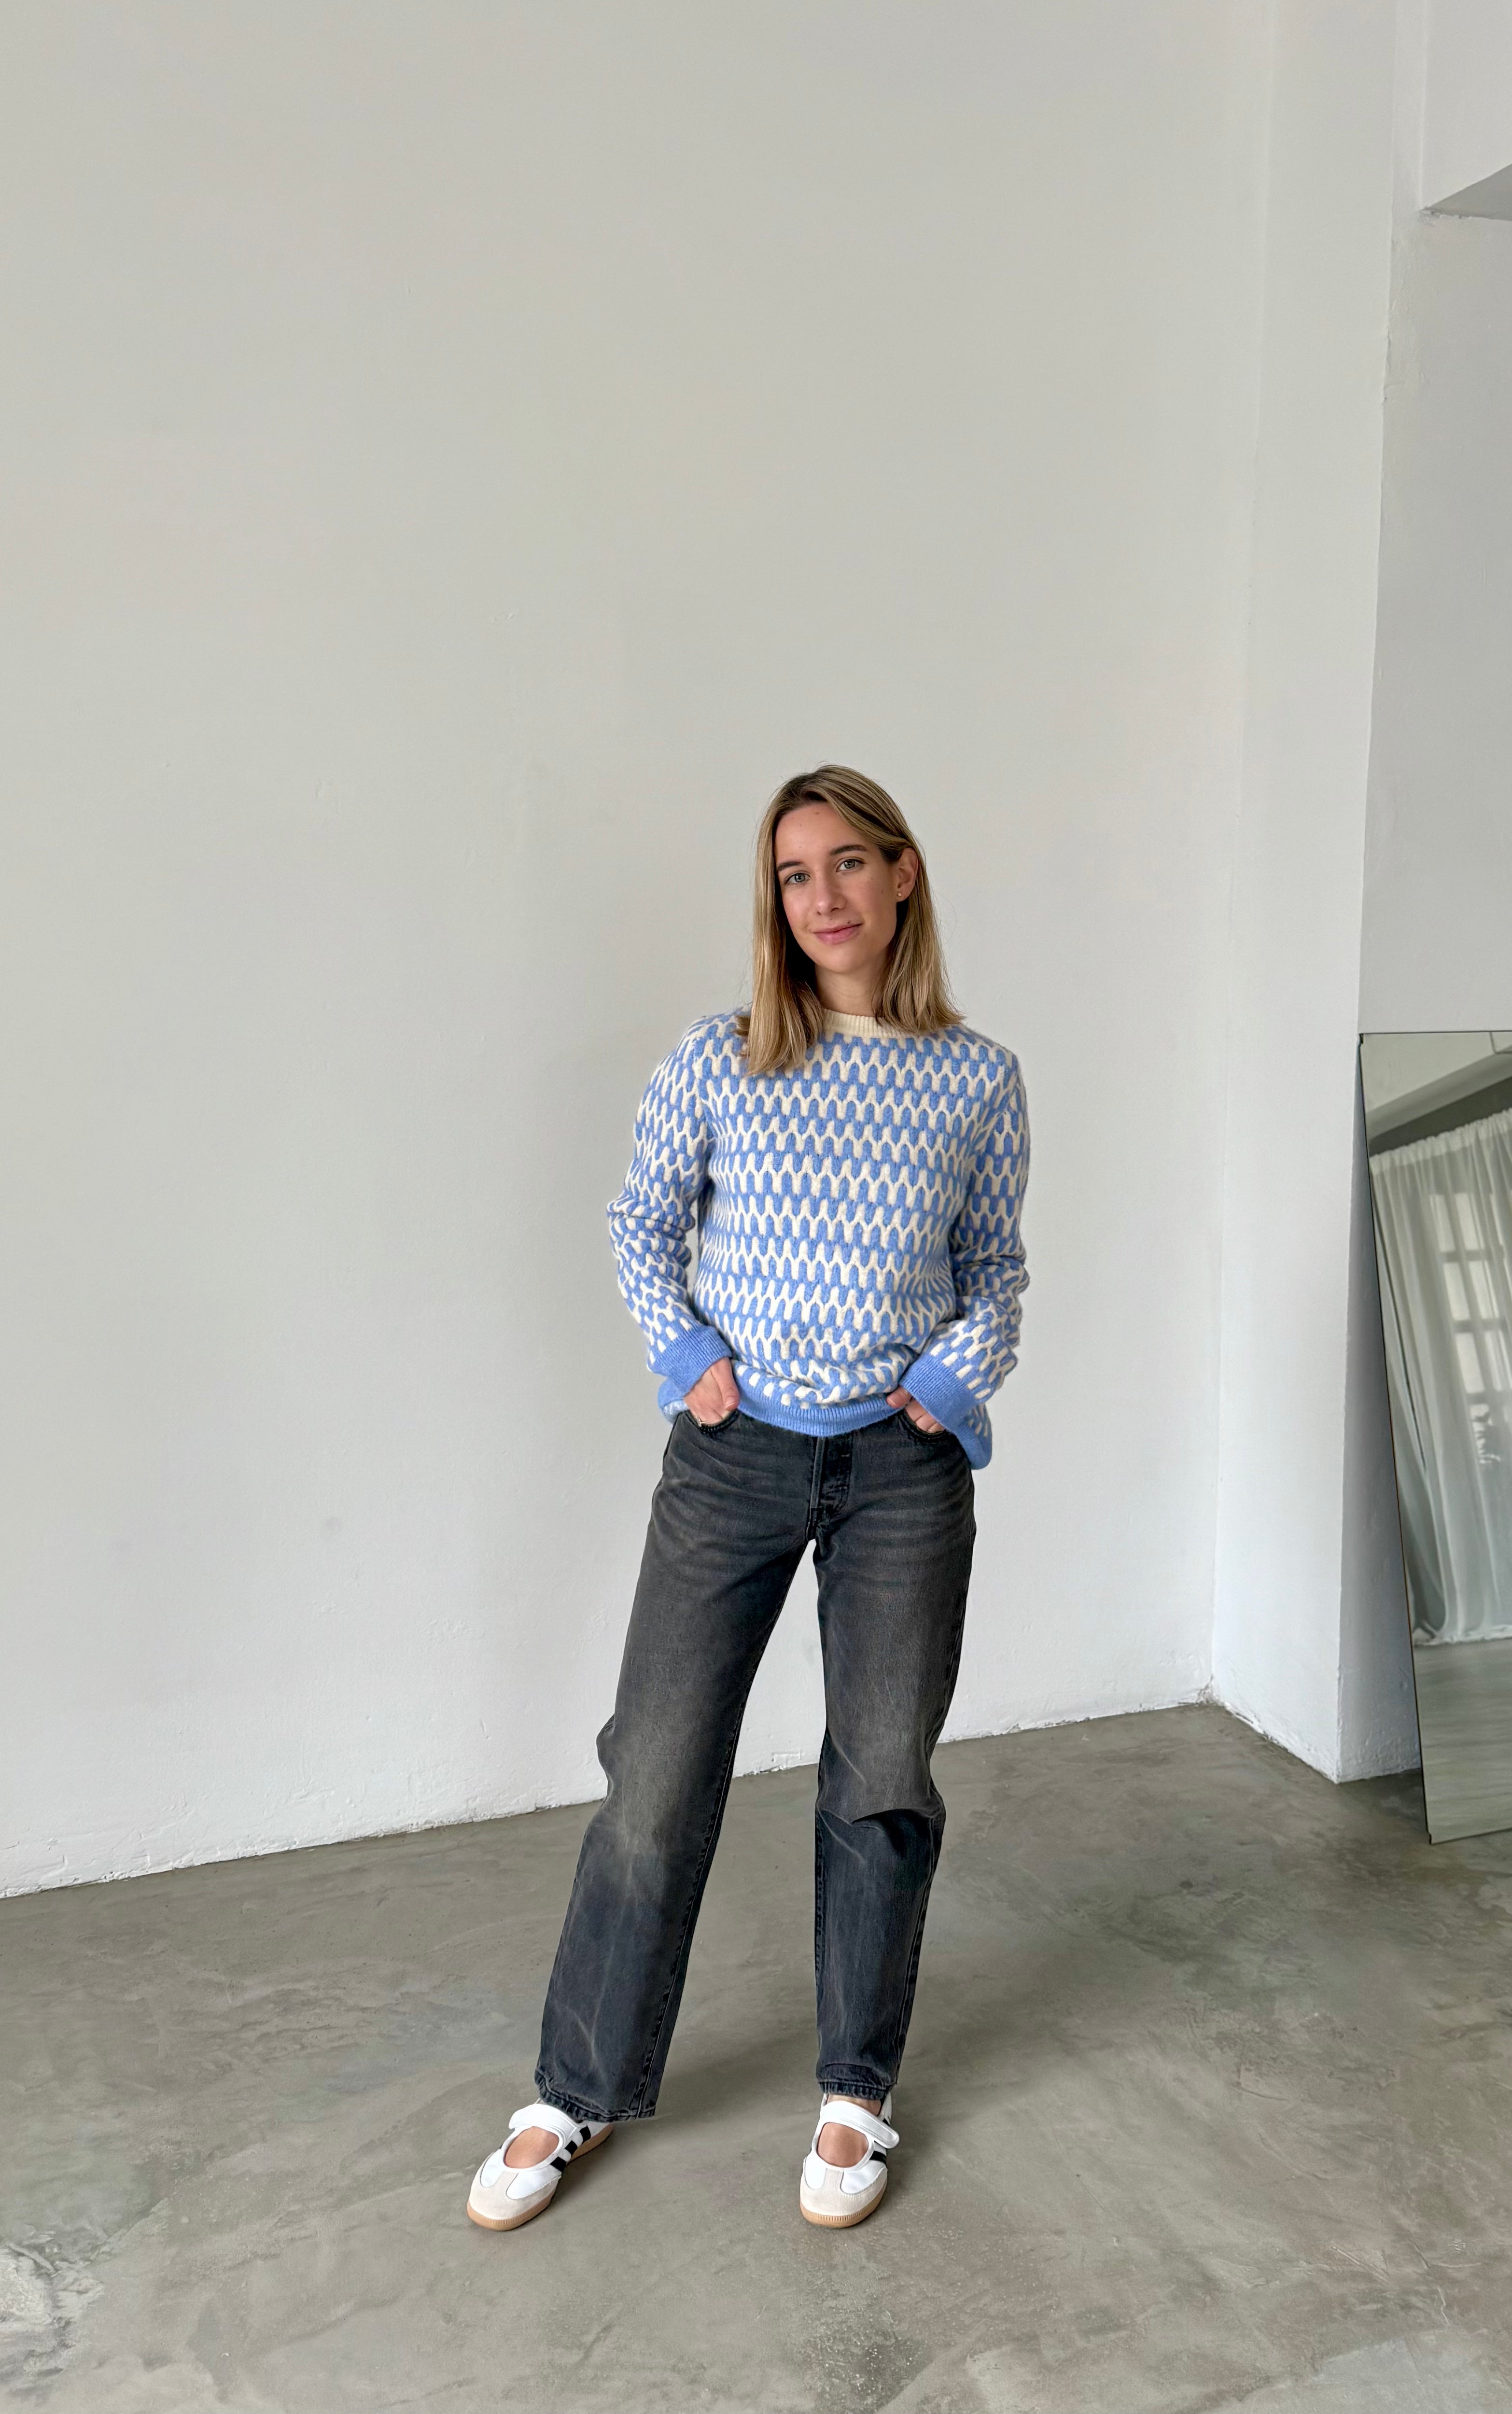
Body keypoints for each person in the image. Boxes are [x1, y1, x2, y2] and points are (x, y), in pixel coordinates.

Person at [466, 765, 1030, 2234]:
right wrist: (688, 1358)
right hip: (735, 1461)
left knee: (881, 1779)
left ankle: (857, 2089)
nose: (823, 896)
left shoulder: (978, 1079)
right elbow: (641, 1222)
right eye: (794, 874)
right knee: (655, 1774)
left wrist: (951, 1381)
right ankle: (577, 2088)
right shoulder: (719, 1059)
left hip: (902, 1470)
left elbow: (996, 1271)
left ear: (902, 874)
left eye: (848, 863)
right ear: (774, 901)